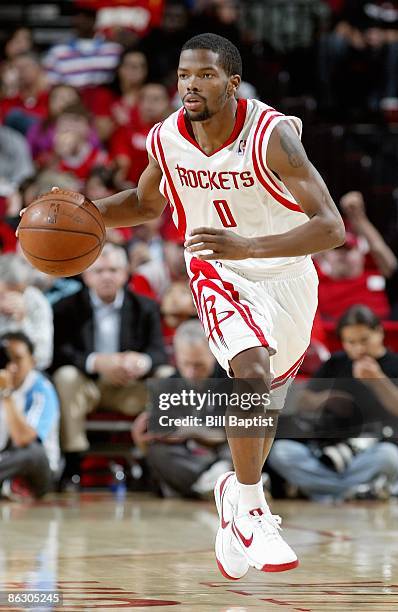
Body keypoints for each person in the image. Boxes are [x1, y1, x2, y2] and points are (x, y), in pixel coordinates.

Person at [25, 33, 345, 578]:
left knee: (262, 407)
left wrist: (249, 245)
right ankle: (251, 507)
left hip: (287, 272)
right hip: (216, 268)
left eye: (204, 76)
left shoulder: (273, 137)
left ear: (232, 83)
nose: (190, 86)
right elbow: (148, 202)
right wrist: (82, 217)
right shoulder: (167, 139)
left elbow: (331, 228)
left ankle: (233, 491)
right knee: (248, 375)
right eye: (182, 76)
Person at [51, 243, 167, 488]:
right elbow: (59, 354)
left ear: (125, 273)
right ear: (86, 274)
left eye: (113, 270)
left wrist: (141, 361)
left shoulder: (146, 307)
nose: (106, 276)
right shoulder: (65, 307)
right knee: (65, 376)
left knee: (167, 376)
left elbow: (159, 352)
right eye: (99, 270)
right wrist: (96, 361)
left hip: (129, 387)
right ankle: (73, 463)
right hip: (88, 387)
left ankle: (159, 463)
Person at [268, 305, 398, 501]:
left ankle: (325, 491)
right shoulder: (336, 362)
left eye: (364, 340)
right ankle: (351, 491)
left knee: (389, 457)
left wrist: (377, 380)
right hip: (329, 450)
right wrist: (326, 399)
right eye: (351, 342)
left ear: (379, 332)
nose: (359, 348)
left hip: (373, 449)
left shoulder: (394, 364)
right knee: (281, 452)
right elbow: (302, 401)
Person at [132, 319, 231, 498]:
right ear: (176, 357)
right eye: (186, 364)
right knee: (158, 452)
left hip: (224, 454)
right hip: (192, 459)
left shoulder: (230, 380)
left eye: (199, 365)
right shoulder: (166, 385)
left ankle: (210, 484)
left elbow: (227, 433)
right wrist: (142, 438)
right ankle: (215, 485)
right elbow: (153, 440)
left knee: (241, 441)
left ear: (215, 354)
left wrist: (190, 429)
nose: (191, 373)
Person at [0, 332, 60, 500]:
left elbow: (24, 438)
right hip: (5, 459)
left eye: (18, 359)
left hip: (39, 470)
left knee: (32, 452)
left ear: (32, 361)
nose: (11, 366)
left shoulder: (41, 389)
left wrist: (6, 394)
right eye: (6, 359)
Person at [0, 254, 53, 370]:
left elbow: (43, 359)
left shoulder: (36, 300)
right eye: (3, 295)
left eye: (18, 293)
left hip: (25, 372)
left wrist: (22, 322)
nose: (10, 299)